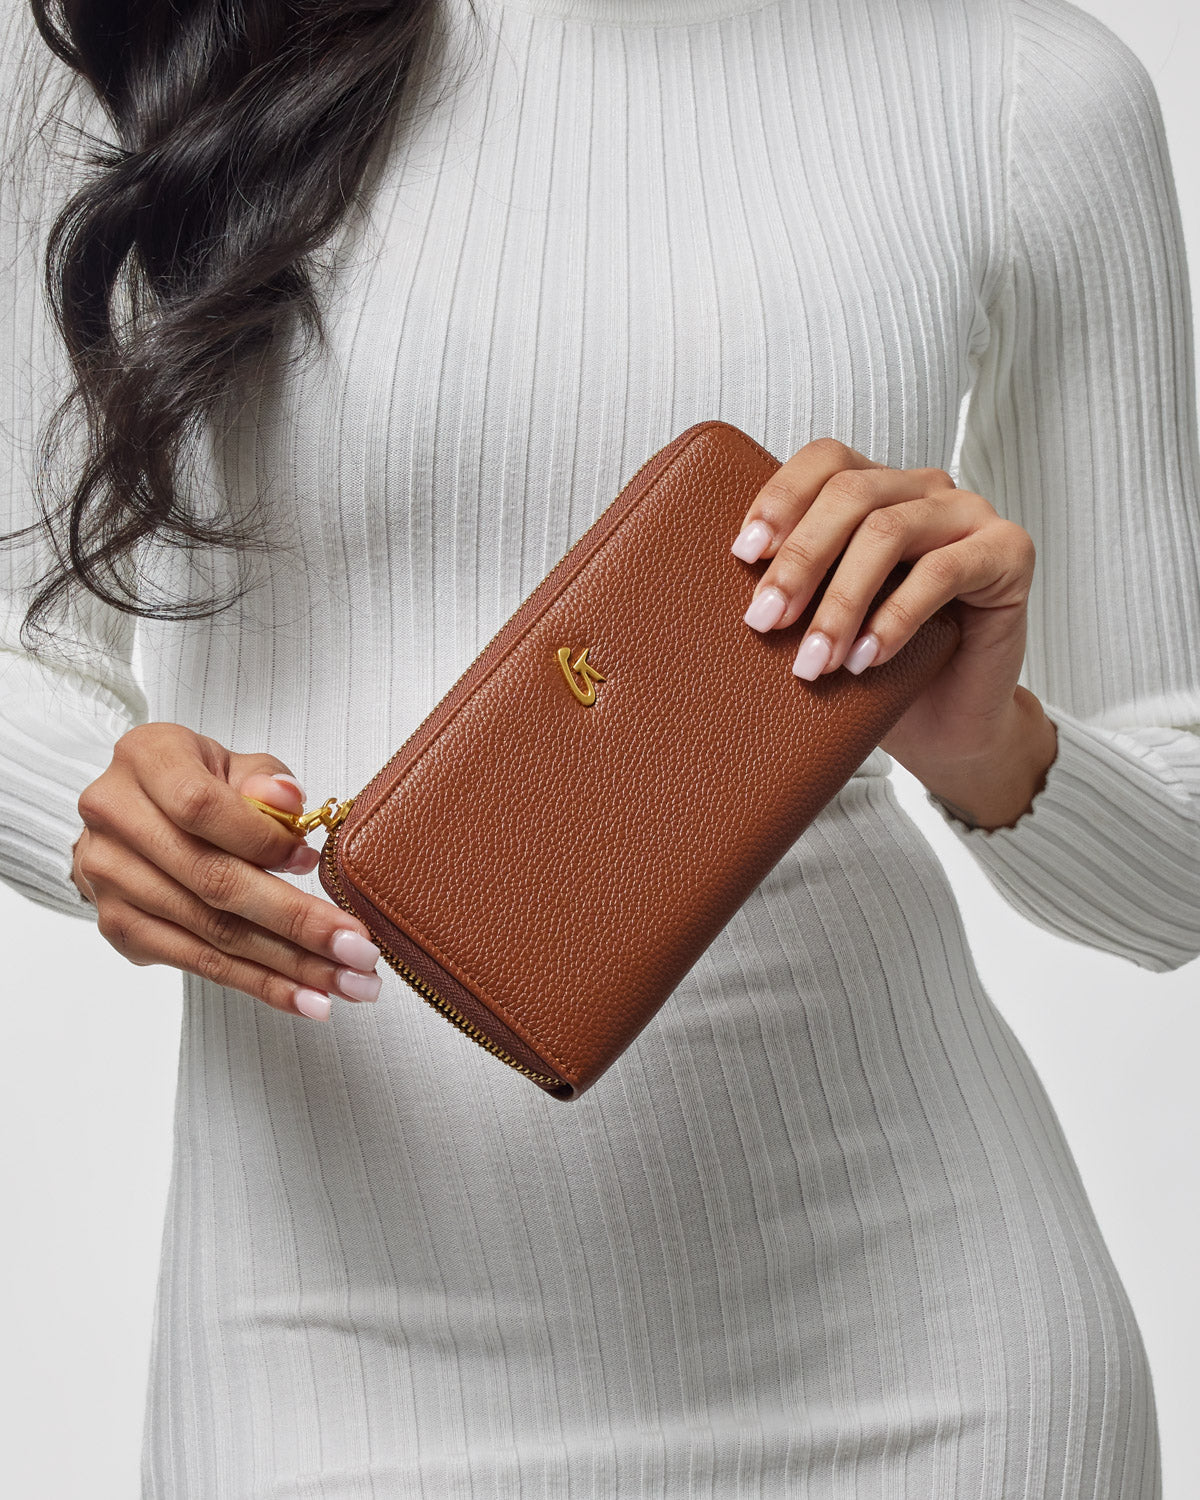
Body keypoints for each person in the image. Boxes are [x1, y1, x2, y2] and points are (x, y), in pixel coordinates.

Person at [2, 0, 1198, 1492]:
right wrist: (90, 805)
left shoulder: (1027, 89)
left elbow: (1182, 875)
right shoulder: (133, 39)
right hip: (324, 1348)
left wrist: (983, 744)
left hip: (931, 1361)